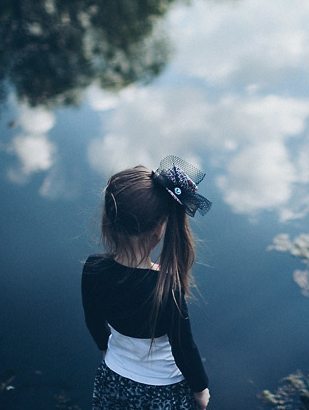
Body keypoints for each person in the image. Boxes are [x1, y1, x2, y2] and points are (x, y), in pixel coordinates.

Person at [82, 156, 212, 410]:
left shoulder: (93, 268)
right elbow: (184, 348)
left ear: (109, 221)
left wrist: (105, 347)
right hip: (163, 391)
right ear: (158, 232)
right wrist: (200, 389)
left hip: (114, 378)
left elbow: (93, 319)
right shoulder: (166, 285)